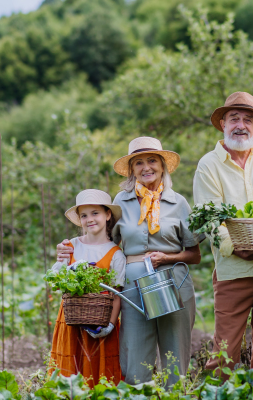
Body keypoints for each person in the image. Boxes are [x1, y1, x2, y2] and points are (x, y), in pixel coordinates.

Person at [57, 136, 201, 386]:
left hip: (174, 281)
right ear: (132, 170)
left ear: (162, 165)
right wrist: (70, 247)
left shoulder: (179, 203)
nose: (146, 167)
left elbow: (194, 254)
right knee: (134, 355)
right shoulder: (120, 202)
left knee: (175, 355)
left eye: (152, 161)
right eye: (139, 163)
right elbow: (99, 235)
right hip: (133, 286)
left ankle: (174, 393)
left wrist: (167, 257)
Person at [193, 92, 253, 373]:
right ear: (222, 123)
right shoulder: (208, 165)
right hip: (234, 270)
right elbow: (209, 219)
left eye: (248, 119)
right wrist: (238, 247)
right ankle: (220, 393)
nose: (241, 125)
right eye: (234, 118)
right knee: (224, 351)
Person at [50, 189, 125, 387]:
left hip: (100, 323)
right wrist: (62, 264)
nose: (89, 219)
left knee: (99, 375)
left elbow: (117, 294)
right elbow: (54, 280)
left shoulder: (116, 254)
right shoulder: (71, 246)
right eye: (84, 215)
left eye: (95, 213)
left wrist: (109, 325)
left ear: (107, 215)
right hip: (71, 322)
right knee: (70, 372)